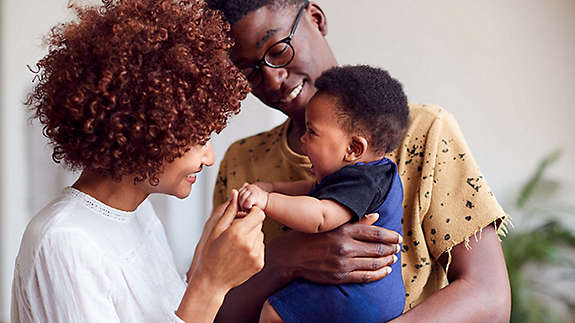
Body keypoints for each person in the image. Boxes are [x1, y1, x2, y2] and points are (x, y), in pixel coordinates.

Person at [207, 0, 512, 322]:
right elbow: (214, 307)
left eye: (279, 50)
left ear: (315, 18)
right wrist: (285, 258)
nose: (271, 79)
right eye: (248, 70)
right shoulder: (242, 161)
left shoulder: (423, 132)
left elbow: (489, 298)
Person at [11, 0, 265, 322]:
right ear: (141, 128)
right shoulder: (65, 242)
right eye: (199, 138)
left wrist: (205, 263)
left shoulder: (137, 213)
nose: (209, 157)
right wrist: (210, 284)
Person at [238, 65, 408, 323]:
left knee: (274, 312)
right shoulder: (368, 175)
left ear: (353, 147)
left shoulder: (363, 181)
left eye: (312, 131)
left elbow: (319, 216)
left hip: (356, 295)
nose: (303, 139)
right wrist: (272, 187)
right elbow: (310, 191)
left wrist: (267, 200)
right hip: (373, 295)